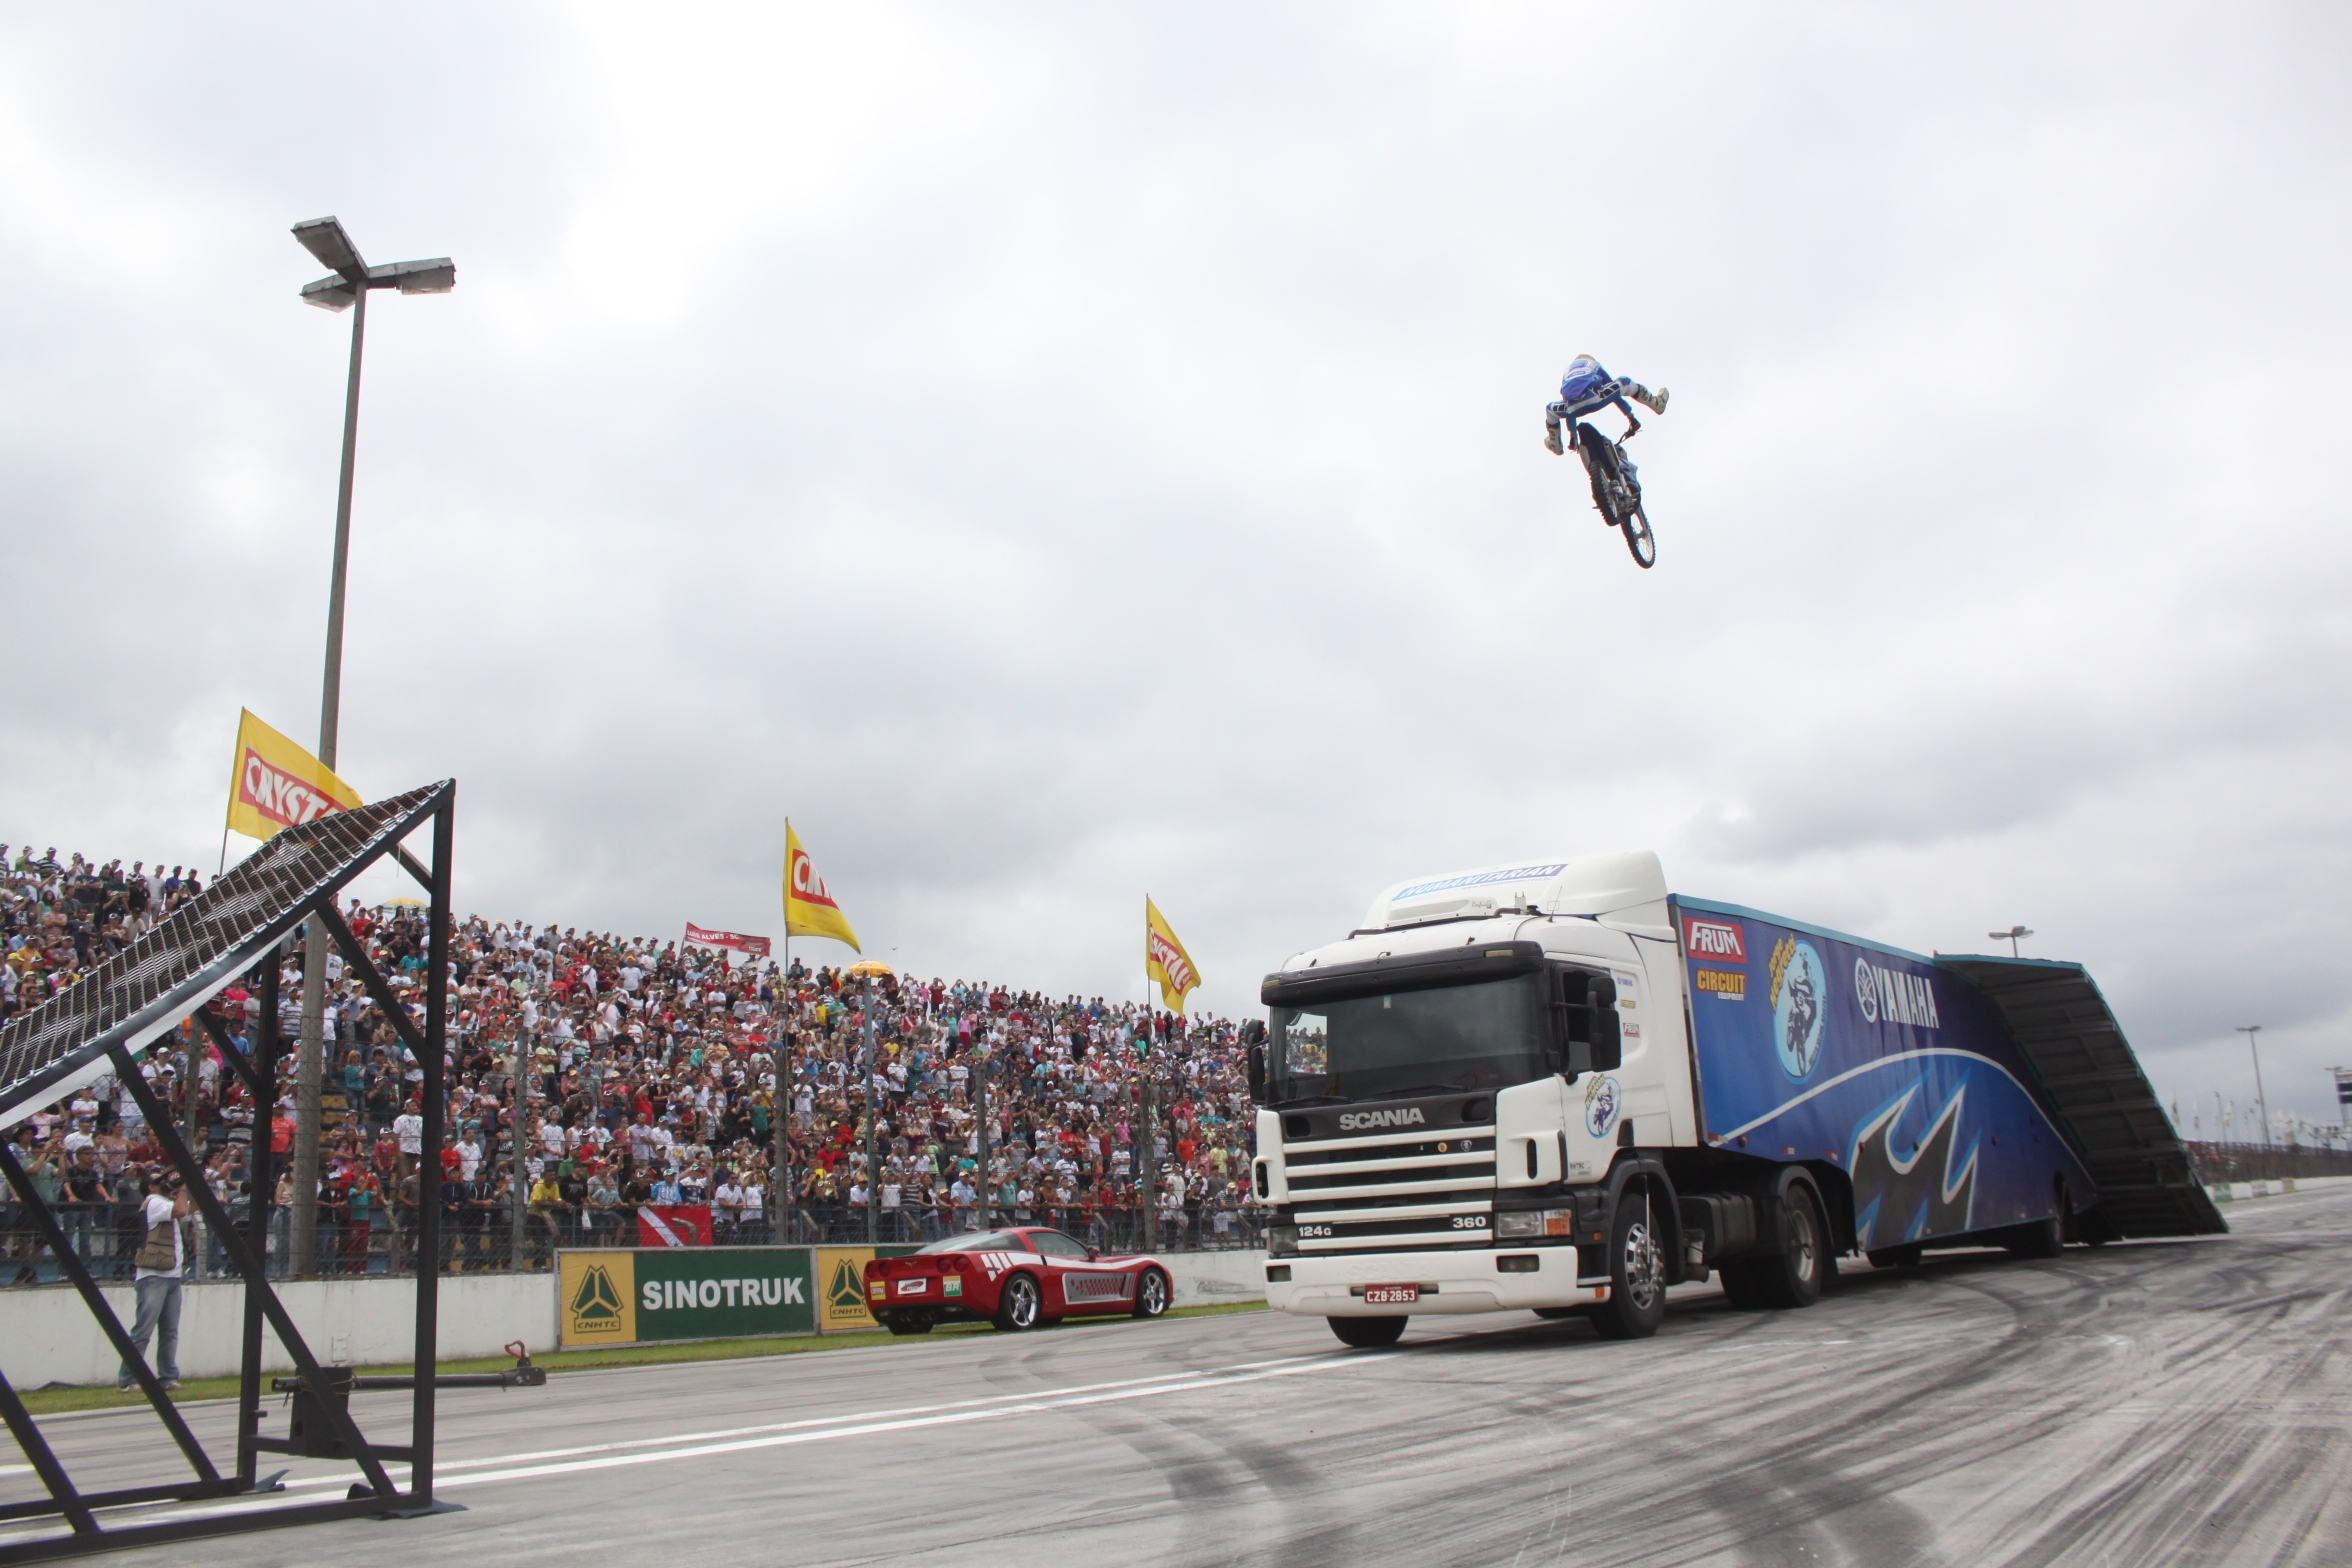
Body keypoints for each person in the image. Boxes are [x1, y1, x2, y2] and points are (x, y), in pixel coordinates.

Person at [117, 1170, 189, 1390]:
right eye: (161, 1180)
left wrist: (189, 1188)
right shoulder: (154, 1202)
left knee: (169, 1332)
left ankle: (168, 1377)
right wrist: (181, 1188)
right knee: (143, 1331)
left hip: (171, 1274)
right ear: (151, 1187)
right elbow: (181, 1210)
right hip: (154, 1277)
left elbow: (189, 1208)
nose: (166, 1183)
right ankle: (128, 1379)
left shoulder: (164, 1202)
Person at [1544, 355, 1669, 455]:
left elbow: (1567, 400)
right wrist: (1631, 417)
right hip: (1595, 397)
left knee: (1550, 409)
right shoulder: (1593, 364)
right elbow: (1614, 392)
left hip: (1573, 407)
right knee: (1624, 381)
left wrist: (1573, 436)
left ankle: (1555, 444)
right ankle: (1656, 403)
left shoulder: (1567, 372)